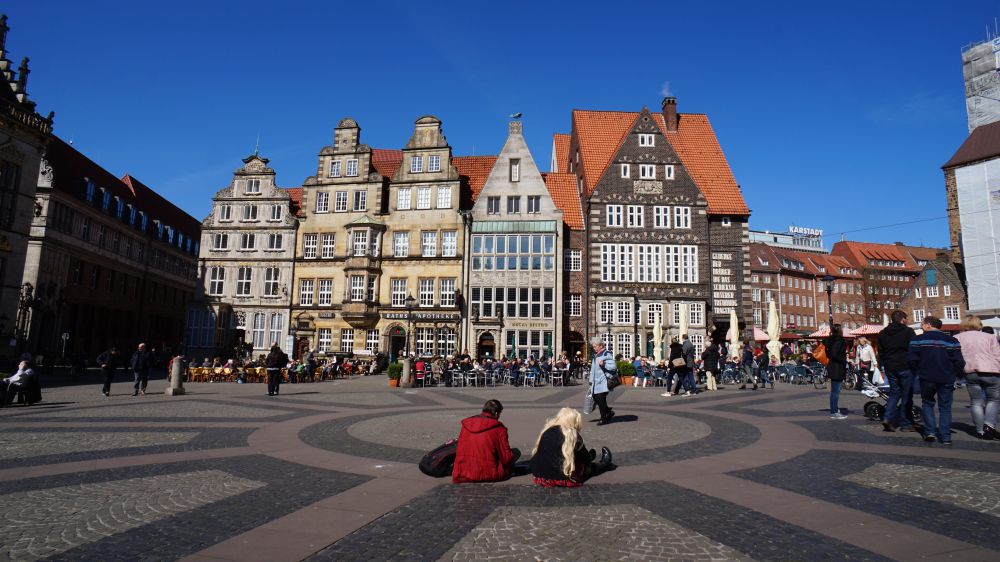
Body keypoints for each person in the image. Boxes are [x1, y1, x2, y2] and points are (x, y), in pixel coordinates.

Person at [909, 316, 965, 445]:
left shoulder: (917, 340)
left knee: (928, 403)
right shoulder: (952, 340)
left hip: (926, 376)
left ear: (929, 325)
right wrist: (956, 374)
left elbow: (912, 360)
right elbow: (959, 361)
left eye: (922, 324)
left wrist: (918, 370)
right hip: (946, 377)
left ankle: (930, 432)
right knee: (945, 407)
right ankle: (945, 436)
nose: (920, 326)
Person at [529, 407, 613, 487]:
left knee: (567, 454)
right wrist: (588, 458)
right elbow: (585, 459)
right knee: (588, 467)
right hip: (562, 478)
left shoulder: (547, 430)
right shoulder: (571, 434)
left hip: (540, 476)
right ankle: (604, 463)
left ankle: (591, 457)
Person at [954, 315, 1000, 440]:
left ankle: (980, 430)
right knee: (993, 400)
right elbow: (998, 355)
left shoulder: (957, 338)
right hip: (991, 371)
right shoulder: (990, 337)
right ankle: (989, 425)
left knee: (976, 401)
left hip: (970, 371)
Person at [452, 399, 519, 483]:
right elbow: (506, 458)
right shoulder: (499, 429)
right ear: (496, 413)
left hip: (463, 472)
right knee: (516, 452)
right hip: (489, 473)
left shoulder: (466, 424)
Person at [878, 310, 918, 432]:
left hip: (890, 367)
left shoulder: (883, 333)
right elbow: (914, 348)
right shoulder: (908, 331)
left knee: (894, 393)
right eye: (906, 319)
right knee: (906, 395)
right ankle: (906, 423)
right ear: (903, 319)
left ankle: (887, 417)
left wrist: (883, 364)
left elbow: (881, 352)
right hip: (905, 366)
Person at [589, 336, 617, 424]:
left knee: (601, 400)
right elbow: (593, 369)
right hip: (595, 382)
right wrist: (591, 380)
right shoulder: (596, 355)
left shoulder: (606, 354)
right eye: (593, 346)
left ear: (600, 345)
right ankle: (608, 411)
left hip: (604, 381)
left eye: (595, 346)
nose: (594, 348)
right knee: (595, 398)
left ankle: (603, 419)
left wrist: (604, 364)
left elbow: (613, 367)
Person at [825, 325, 848, 419]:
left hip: (833, 367)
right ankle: (834, 411)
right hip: (837, 368)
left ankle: (834, 409)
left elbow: (830, 354)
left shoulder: (831, 340)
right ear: (839, 330)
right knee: (835, 391)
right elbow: (834, 354)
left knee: (835, 390)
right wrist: (843, 360)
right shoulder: (838, 341)